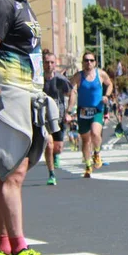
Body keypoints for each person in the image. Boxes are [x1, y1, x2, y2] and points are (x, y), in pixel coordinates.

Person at [0, 0, 56, 255]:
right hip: (7, 97)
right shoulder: (3, 6)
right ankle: (19, 249)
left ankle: (3, 250)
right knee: (14, 173)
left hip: (24, 96)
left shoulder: (23, 5)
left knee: (6, 175)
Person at [68, 52, 114, 178]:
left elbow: (109, 84)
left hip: (97, 109)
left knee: (95, 133)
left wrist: (106, 96)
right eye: (86, 60)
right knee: (85, 140)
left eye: (91, 60)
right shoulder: (78, 76)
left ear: (95, 62)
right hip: (83, 111)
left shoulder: (100, 74)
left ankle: (97, 153)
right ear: (83, 62)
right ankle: (88, 165)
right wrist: (69, 109)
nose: (89, 63)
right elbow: (70, 89)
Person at [41, 52, 71, 186]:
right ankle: (51, 174)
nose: (49, 65)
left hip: (59, 117)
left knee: (57, 148)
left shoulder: (61, 80)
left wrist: (69, 111)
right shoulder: (38, 79)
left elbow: (72, 93)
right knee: (49, 144)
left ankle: (55, 155)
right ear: (43, 63)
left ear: (55, 63)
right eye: (47, 62)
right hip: (44, 118)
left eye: (52, 62)